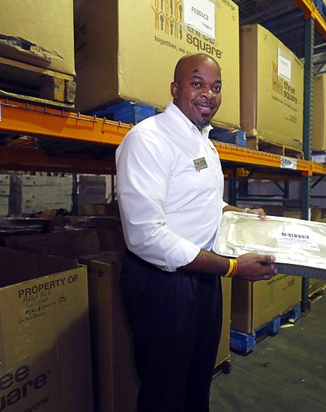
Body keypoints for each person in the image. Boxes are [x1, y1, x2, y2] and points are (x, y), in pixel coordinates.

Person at [115, 53, 278, 412]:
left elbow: (209, 203)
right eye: (197, 83)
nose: (208, 94)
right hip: (162, 284)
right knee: (164, 390)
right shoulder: (148, 139)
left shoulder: (204, 142)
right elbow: (145, 236)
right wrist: (234, 268)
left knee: (198, 377)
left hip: (203, 277)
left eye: (216, 87)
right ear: (175, 89)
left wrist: (242, 215)